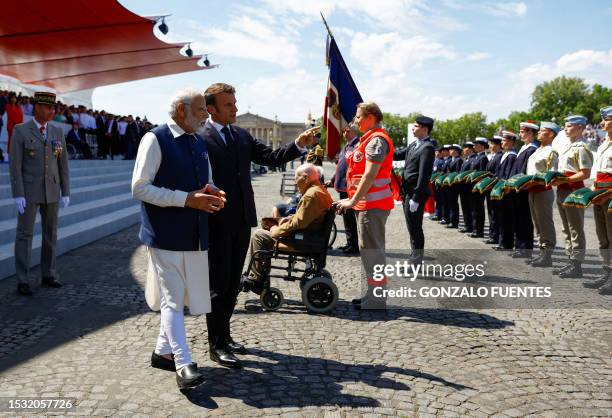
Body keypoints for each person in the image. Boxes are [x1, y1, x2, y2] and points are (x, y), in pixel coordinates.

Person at [201, 83, 318, 368]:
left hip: (242, 219)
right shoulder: (198, 137)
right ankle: (215, 344)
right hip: (214, 219)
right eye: (229, 105)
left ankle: (225, 336)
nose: (235, 109)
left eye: (235, 103)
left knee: (231, 284)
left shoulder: (240, 135)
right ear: (211, 109)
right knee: (217, 284)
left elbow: (270, 157)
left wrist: (298, 145)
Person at [132, 88, 226, 390]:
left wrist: (212, 192)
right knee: (173, 300)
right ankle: (183, 363)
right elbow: (140, 187)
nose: (206, 115)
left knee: (184, 296)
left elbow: (205, 182)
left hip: (195, 233)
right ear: (181, 110)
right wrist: (186, 200)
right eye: (200, 110)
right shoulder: (154, 139)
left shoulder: (198, 140)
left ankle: (162, 352)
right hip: (165, 234)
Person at [333, 102, 395, 310]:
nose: (355, 121)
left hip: (373, 204)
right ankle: (373, 294)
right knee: (368, 251)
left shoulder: (376, 140)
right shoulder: (368, 140)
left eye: (358, 117)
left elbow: (370, 174)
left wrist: (352, 200)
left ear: (370, 117)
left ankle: (377, 299)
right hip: (368, 203)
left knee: (373, 252)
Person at [9, 92, 70, 296]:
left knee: (50, 233)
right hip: (29, 191)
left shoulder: (57, 131)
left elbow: (62, 163)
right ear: (36, 108)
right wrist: (18, 193)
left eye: (53, 108)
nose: (52, 111)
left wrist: (65, 191)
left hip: (52, 190)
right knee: (24, 235)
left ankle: (49, 274)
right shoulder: (21, 131)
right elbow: (15, 165)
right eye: (47, 108)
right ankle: (23, 279)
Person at [247, 163, 332, 280]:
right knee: (268, 223)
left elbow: (299, 223)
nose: (294, 182)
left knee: (258, 235)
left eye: (296, 178)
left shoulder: (311, 195)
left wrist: (276, 231)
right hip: (311, 237)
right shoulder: (319, 190)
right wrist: (289, 218)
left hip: (304, 241)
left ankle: (257, 278)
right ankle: (260, 272)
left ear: (305, 178)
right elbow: (305, 217)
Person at [551, 115, 593, 278]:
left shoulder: (581, 147)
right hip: (562, 190)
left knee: (575, 228)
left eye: (569, 126)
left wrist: (566, 179)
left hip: (573, 191)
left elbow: (585, 173)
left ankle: (577, 264)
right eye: (565, 126)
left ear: (580, 128)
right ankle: (570, 260)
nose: (565, 129)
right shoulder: (568, 146)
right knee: (566, 228)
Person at [392, 115, 435, 263]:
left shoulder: (427, 147)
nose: (413, 128)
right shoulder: (414, 144)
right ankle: (414, 257)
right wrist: (384, 145)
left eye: (416, 126)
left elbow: (424, 176)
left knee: (415, 228)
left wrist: (416, 198)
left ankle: (415, 261)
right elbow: (397, 155)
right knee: (411, 227)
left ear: (424, 128)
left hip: (415, 194)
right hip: (407, 192)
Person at [583, 106, 612, 294]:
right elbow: (596, 172)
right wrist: (593, 187)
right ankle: (607, 271)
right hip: (599, 194)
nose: (602, 123)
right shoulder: (603, 144)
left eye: (606, 119)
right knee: (603, 238)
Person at [525, 122, 559, 267]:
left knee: (545, 223)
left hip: (543, 191)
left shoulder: (551, 151)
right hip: (532, 190)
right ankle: (542, 252)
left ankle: (547, 254)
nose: (539, 133)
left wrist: (534, 183)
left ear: (551, 134)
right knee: (538, 223)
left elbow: (552, 174)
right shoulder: (538, 150)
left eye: (542, 131)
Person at [328, 123, 360, 254]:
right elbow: (341, 166)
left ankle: (354, 245)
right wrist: (333, 179)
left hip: (349, 187)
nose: (345, 133)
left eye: (348, 131)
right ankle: (350, 243)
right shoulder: (347, 146)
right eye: (344, 131)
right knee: (346, 217)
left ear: (355, 132)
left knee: (350, 218)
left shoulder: (357, 146)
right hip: (342, 186)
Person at [509, 121, 539, 258]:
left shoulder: (532, 149)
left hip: (523, 188)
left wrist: (517, 184)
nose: (520, 134)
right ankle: (519, 246)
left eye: (523, 131)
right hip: (517, 188)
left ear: (530, 133)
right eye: (520, 131)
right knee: (518, 218)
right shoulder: (524, 148)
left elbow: (524, 171)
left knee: (524, 219)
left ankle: (526, 249)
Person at [493, 131, 518, 250]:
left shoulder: (512, 155)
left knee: (507, 218)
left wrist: (504, 186)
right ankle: (502, 242)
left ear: (511, 142)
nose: (502, 142)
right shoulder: (506, 154)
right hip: (501, 189)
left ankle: (507, 243)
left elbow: (508, 175)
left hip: (506, 191)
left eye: (504, 140)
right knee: (502, 217)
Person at [485, 136, 503, 244]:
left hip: (494, 188)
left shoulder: (499, 157)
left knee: (496, 213)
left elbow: (497, 173)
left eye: (492, 144)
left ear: (497, 145)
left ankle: (496, 236)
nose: (490, 146)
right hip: (489, 188)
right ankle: (493, 235)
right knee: (491, 213)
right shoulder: (493, 156)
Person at [469, 138, 489, 238]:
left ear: (482, 146)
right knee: (474, 208)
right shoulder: (477, 157)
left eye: (476, 145)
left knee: (478, 209)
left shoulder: (483, 158)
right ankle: (475, 228)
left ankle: (479, 231)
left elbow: (482, 173)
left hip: (478, 187)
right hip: (473, 186)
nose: (474, 147)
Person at [458, 142, 476, 234]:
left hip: (470, 187)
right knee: (465, 207)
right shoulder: (466, 159)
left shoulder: (474, 158)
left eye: (465, 148)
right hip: (463, 188)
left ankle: (473, 227)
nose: (463, 150)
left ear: (470, 149)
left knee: (471, 208)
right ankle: (467, 225)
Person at [445, 144, 463, 229]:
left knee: (453, 204)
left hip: (454, 185)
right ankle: (450, 219)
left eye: (452, 150)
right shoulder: (450, 160)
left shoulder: (458, 160)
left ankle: (454, 222)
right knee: (449, 203)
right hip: (448, 185)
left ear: (456, 151)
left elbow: (458, 172)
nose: (450, 151)